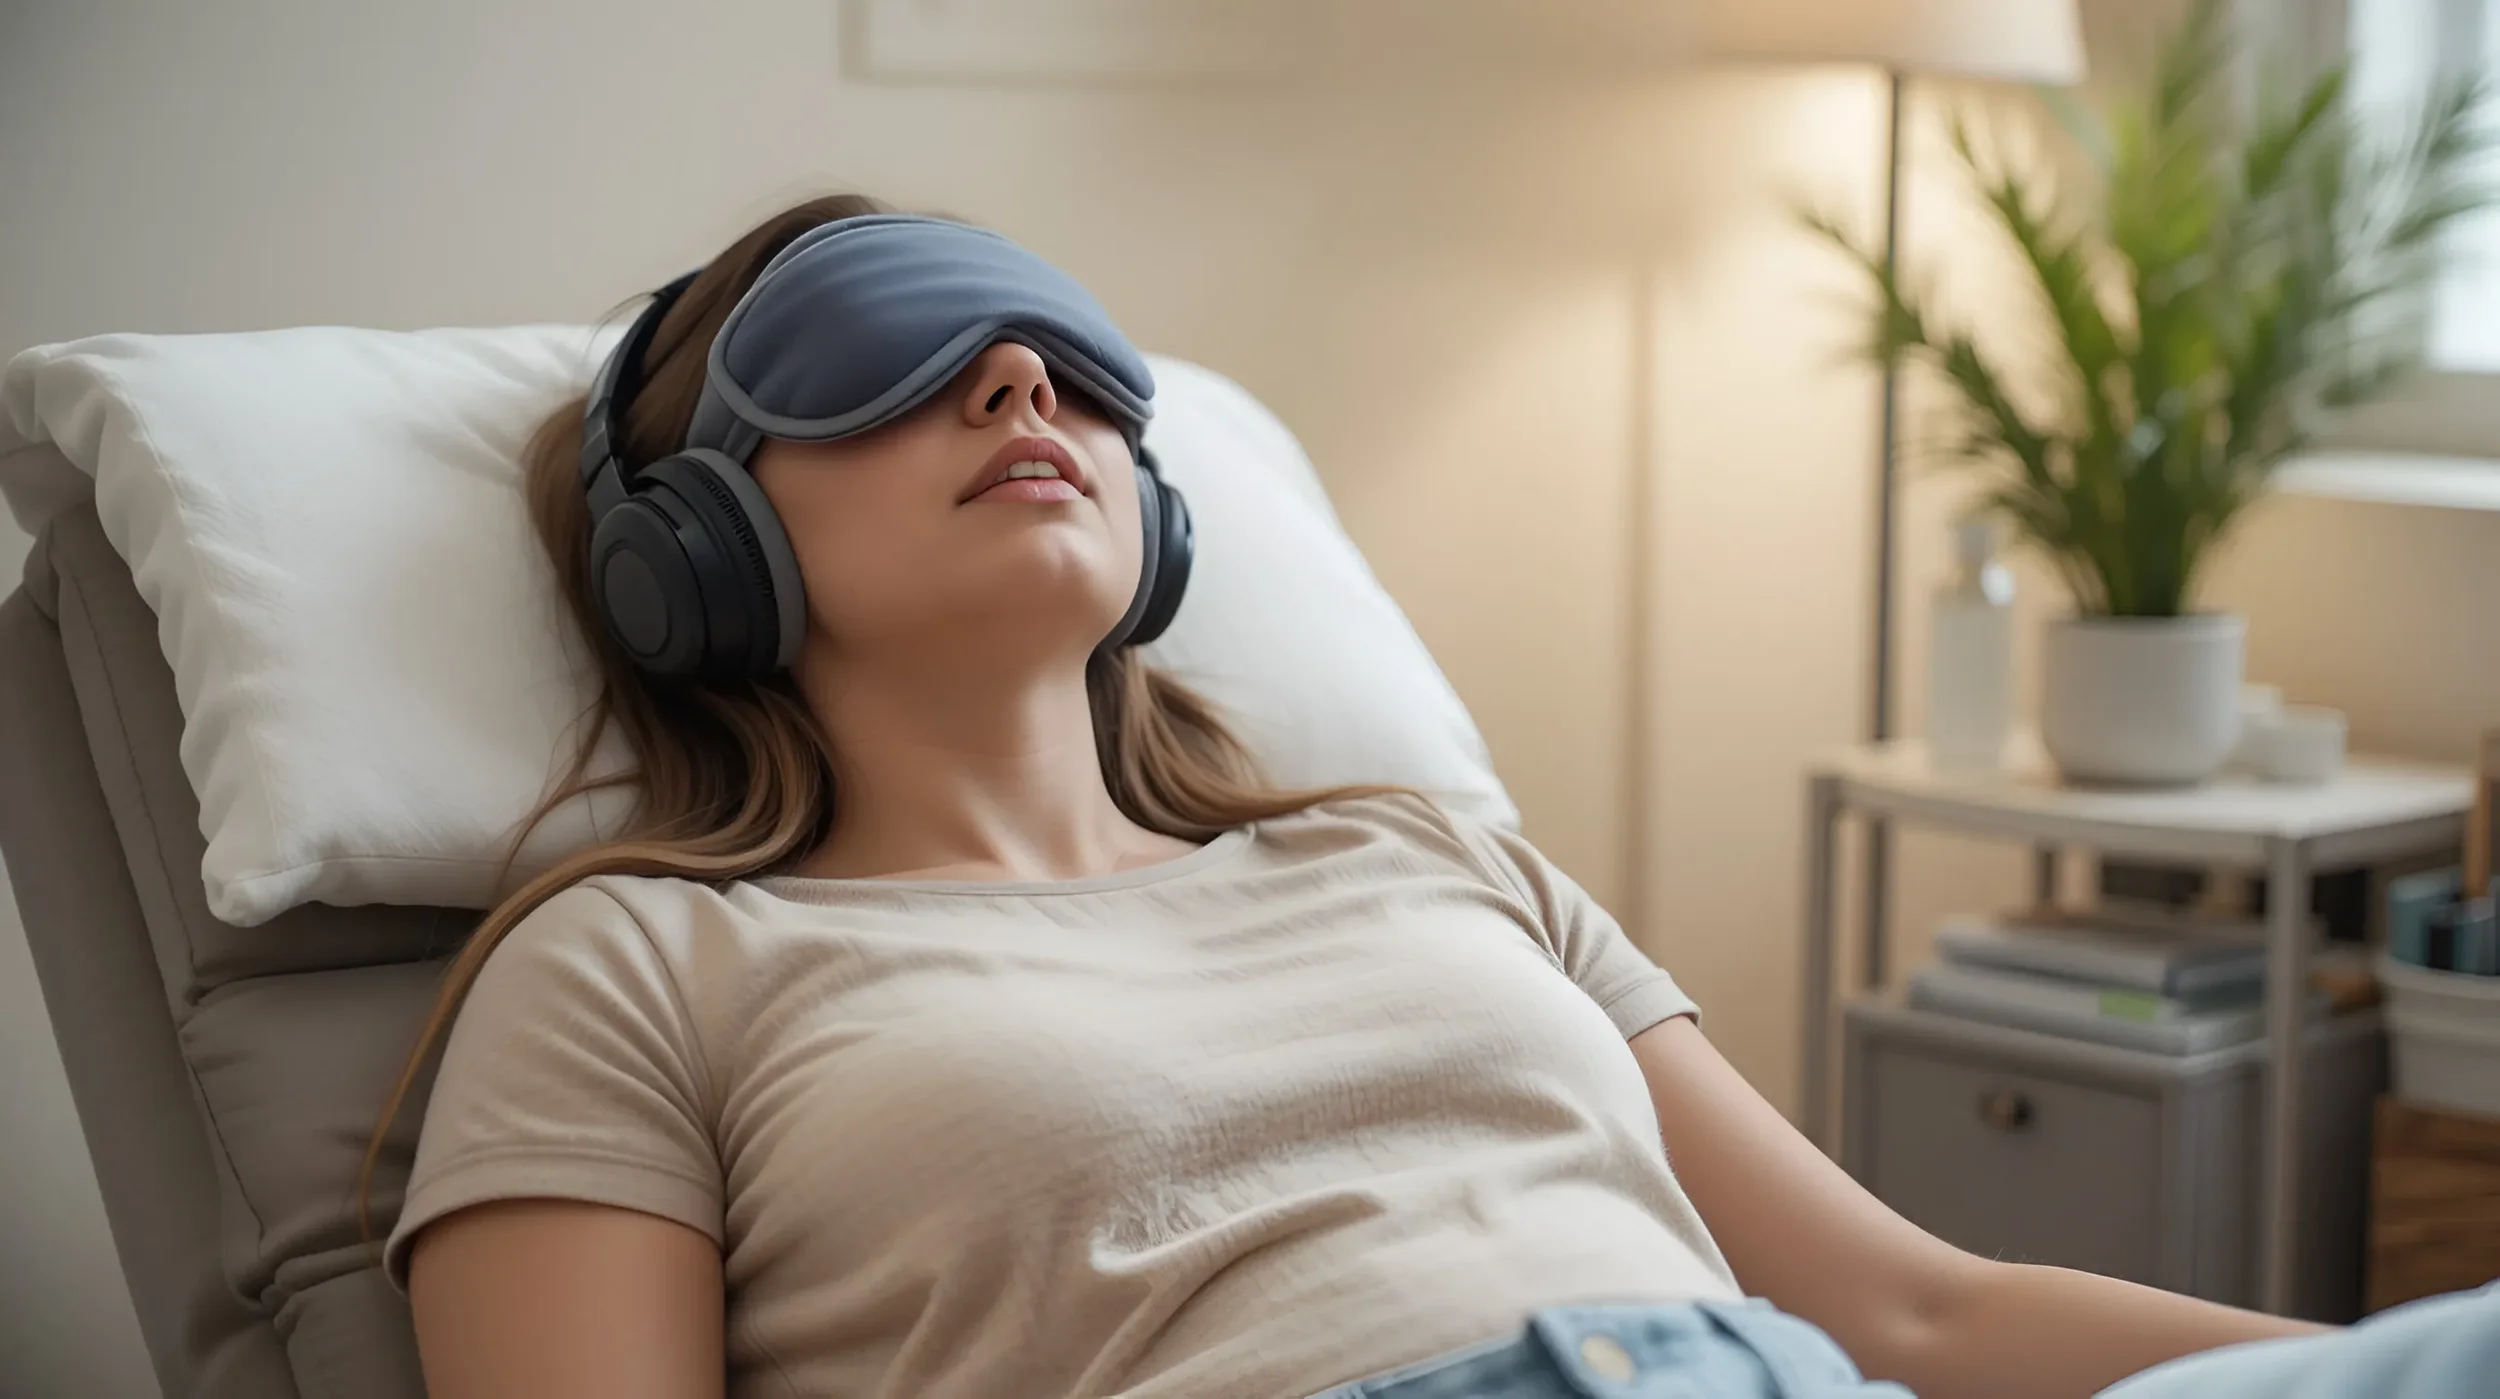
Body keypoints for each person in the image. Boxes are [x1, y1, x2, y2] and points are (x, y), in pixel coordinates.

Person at [367, 193, 2319, 1399]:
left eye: (1064, 364)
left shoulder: (1422, 851)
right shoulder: (640, 971)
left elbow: (1920, 1321)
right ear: (693, 545)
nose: (1019, 388)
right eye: (884, 357)